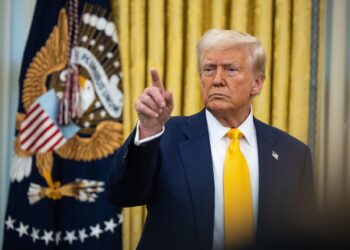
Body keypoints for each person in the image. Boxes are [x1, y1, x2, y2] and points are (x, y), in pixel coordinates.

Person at [107, 29, 315, 250]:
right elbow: (123, 194)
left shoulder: (294, 155)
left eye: (231, 69)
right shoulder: (164, 136)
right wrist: (148, 130)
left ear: (257, 83)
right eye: (209, 69)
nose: (217, 80)